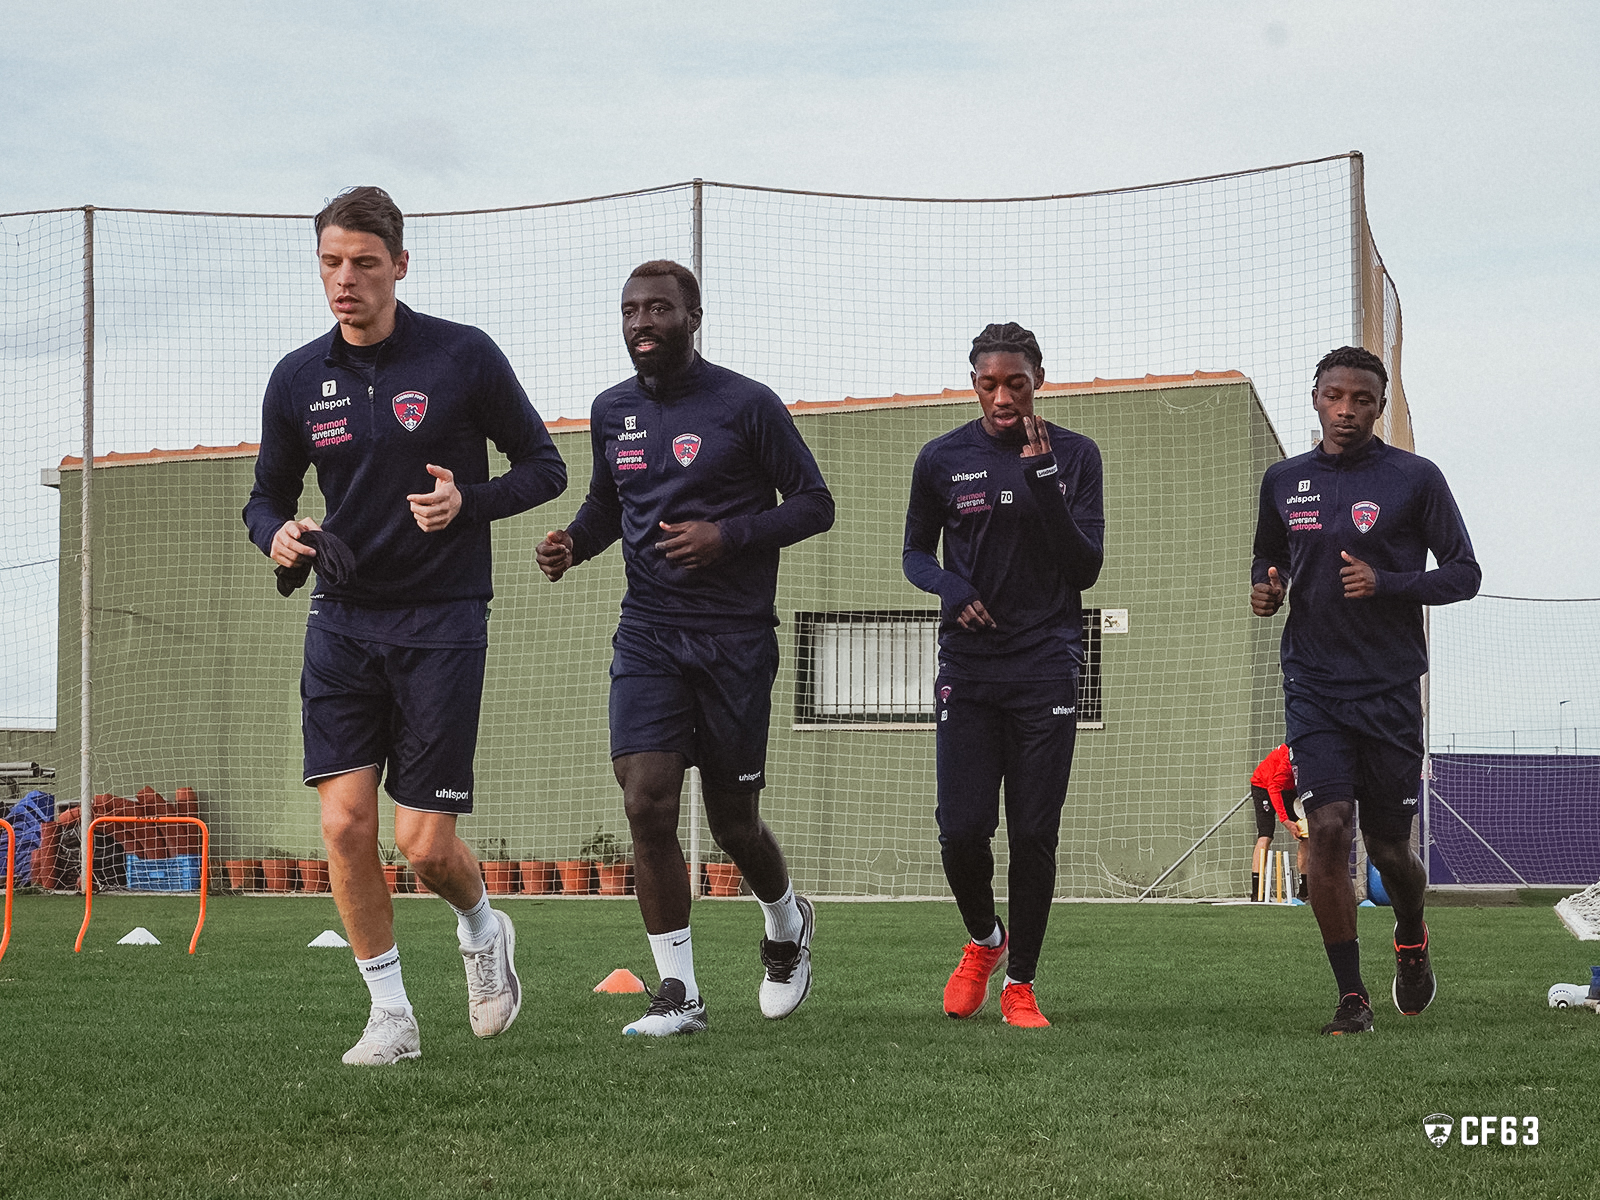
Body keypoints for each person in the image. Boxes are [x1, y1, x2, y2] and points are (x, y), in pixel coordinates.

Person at [243, 186, 567, 1064]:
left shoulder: (463, 357)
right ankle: (391, 1014)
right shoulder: (297, 379)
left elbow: (546, 468)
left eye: (363, 264)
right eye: (330, 264)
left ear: (400, 265)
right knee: (346, 826)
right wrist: (276, 534)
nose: (344, 281)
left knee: (422, 845)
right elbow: (266, 495)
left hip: (443, 620)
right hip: (341, 620)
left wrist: (470, 504)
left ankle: (482, 930)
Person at [535, 260, 834, 1036]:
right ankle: (679, 993)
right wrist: (574, 541)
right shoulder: (612, 412)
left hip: (735, 639)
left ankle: (786, 921)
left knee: (734, 823)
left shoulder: (747, 405)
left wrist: (727, 535)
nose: (642, 321)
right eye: (630, 309)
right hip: (649, 634)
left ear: (694, 316)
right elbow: (609, 504)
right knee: (646, 802)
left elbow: (814, 503)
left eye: (659, 308)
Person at [1251, 345, 1479, 1035]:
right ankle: (1353, 998)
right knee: (1325, 830)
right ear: (1315, 397)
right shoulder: (1284, 480)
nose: (1347, 410)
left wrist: (1390, 584)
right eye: (1335, 396)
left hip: (1388, 688)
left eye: (1362, 401)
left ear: (1379, 407)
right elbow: (1270, 554)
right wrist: (1267, 586)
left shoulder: (1415, 479)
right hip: (1314, 686)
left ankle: (1411, 933)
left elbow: (1464, 573)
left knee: (1386, 850)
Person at [903, 323, 1105, 1028]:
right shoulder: (941, 458)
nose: (1001, 396)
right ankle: (987, 940)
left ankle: (1021, 983)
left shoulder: (1076, 456)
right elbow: (915, 556)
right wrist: (952, 591)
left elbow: (1085, 568)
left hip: (1046, 660)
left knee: (1033, 833)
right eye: (988, 383)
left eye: (1014, 382)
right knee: (961, 830)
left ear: (1038, 380)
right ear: (974, 385)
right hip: (969, 664)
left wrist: (1046, 480)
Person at [1249, 743, 1307, 901]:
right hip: (1264, 786)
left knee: (1304, 833)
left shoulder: (1313, 758)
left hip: (1290, 789)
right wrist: (1285, 820)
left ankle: (1304, 891)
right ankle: (1257, 893)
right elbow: (1274, 787)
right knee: (1265, 834)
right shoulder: (1288, 758)